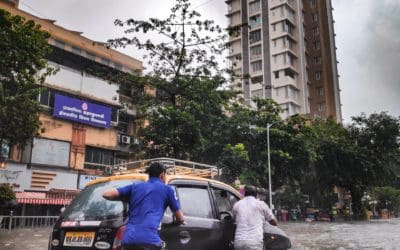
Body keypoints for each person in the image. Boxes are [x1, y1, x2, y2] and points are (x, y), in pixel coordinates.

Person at [103, 162, 185, 250]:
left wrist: (127, 199)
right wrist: (177, 221)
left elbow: (106, 194)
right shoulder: (168, 190)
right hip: (150, 241)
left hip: (128, 240)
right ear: (162, 175)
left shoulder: (134, 187)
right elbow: (180, 218)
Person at [233, 185, 277, 250]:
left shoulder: (237, 205)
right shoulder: (260, 204)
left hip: (239, 242)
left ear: (244, 194)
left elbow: (234, 219)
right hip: (254, 242)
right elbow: (274, 222)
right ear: (256, 195)